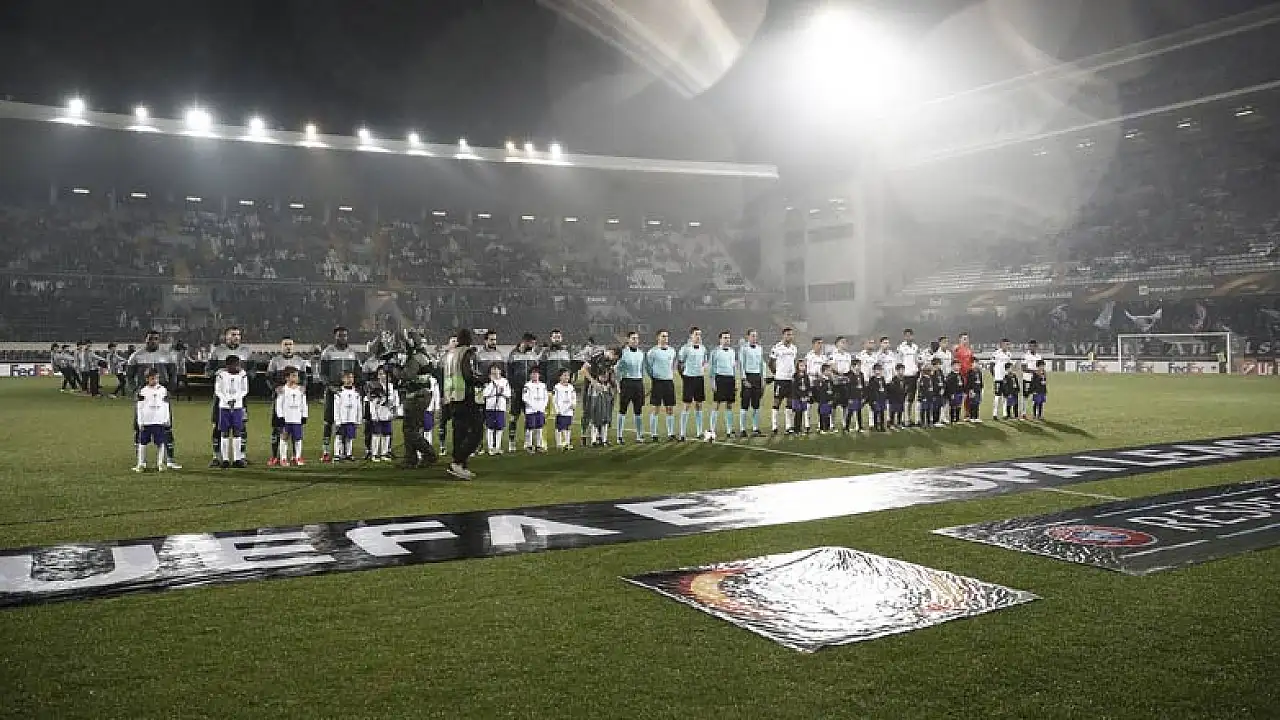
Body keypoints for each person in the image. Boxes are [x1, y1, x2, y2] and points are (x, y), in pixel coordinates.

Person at [127, 331, 180, 469]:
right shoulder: (136, 356)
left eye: (156, 339)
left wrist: (170, 390)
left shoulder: (167, 355)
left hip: (161, 397)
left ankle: (169, 460)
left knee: (166, 427)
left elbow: (173, 374)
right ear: (145, 340)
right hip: (144, 397)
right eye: (150, 339)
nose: (153, 341)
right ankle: (141, 461)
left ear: (159, 340)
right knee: (140, 427)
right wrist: (135, 391)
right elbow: (129, 377)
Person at [441, 328, 486, 480]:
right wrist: (481, 380)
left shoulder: (449, 355)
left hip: (452, 397)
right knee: (477, 431)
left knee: (458, 433)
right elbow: (468, 374)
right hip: (465, 397)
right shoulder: (466, 353)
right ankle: (458, 461)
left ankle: (459, 466)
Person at [206, 327, 248, 466]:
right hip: (221, 398)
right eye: (233, 334)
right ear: (226, 336)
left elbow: (252, 371)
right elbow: (208, 371)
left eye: (238, 334)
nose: (236, 337)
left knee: (241, 426)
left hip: (239, 397)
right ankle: (217, 457)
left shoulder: (246, 351)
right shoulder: (217, 351)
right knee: (218, 426)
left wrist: (244, 374)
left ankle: (241, 456)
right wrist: (218, 372)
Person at [399, 329, 440, 469]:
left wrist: (394, 370)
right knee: (411, 428)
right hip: (420, 395)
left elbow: (407, 376)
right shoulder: (423, 355)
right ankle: (410, 459)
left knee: (410, 430)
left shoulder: (416, 358)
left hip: (417, 396)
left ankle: (428, 453)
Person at [319, 326, 361, 463]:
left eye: (344, 335)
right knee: (328, 421)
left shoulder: (352, 353)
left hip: (347, 392)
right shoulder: (327, 352)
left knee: (347, 421)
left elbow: (358, 372)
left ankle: (344, 451)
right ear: (335, 337)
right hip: (332, 391)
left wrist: (357, 387)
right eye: (340, 335)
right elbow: (322, 374)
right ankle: (326, 451)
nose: (342, 338)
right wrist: (330, 387)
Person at [267, 337, 307, 467]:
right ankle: (275, 456)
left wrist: (303, 387)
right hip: (280, 398)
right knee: (277, 427)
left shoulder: (300, 361)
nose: (288, 347)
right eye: (285, 344)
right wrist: (275, 388)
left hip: (294, 398)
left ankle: (295, 456)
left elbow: (304, 378)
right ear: (281, 346)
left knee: (296, 429)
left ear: (293, 346)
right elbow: (268, 378)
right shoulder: (275, 361)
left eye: (290, 344)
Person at [507, 333, 542, 452]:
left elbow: (536, 371)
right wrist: (512, 388)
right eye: (531, 343)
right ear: (525, 342)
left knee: (529, 417)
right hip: (517, 391)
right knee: (514, 417)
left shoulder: (533, 354)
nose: (533, 346)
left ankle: (528, 444)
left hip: (530, 392)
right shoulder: (513, 354)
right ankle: (511, 442)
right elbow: (509, 373)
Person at [214, 355, 250, 469]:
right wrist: (227, 400)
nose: (238, 367)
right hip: (224, 407)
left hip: (238, 407)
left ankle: (237, 459)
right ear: (229, 365)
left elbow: (245, 390)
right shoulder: (221, 375)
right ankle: (225, 459)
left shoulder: (243, 374)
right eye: (236, 365)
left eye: (239, 364)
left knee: (237, 431)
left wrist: (235, 399)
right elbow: (218, 390)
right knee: (224, 432)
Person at [133, 369, 172, 473]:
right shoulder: (143, 391)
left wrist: (167, 418)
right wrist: (140, 422)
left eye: (157, 378)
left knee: (160, 443)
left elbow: (166, 405)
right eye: (153, 378)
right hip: (146, 421)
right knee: (142, 443)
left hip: (159, 421)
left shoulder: (163, 390)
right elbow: (139, 407)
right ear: (147, 379)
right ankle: (141, 464)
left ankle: (160, 463)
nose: (155, 380)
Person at [645, 329, 678, 442]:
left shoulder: (672, 351)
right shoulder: (652, 352)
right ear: (657, 338)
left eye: (667, 336)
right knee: (656, 408)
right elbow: (648, 367)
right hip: (657, 382)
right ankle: (654, 435)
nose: (665, 338)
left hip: (669, 382)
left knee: (670, 408)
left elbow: (672, 364)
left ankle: (671, 434)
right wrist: (654, 378)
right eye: (663, 336)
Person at [677, 327, 708, 442]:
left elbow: (704, 361)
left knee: (699, 405)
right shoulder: (685, 348)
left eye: (699, 334)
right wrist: (684, 377)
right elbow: (679, 364)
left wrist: (703, 368)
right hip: (689, 378)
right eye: (696, 334)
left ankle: (699, 432)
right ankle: (682, 433)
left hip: (699, 378)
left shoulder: (703, 348)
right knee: (687, 405)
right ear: (691, 335)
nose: (698, 336)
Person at [615, 331, 646, 444]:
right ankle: (619, 436)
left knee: (638, 410)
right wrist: (618, 384)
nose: (635, 340)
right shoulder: (623, 353)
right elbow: (617, 369)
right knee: (623, 410)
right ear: (628, 340)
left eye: (637, 338)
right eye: (633, 338)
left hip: (638, 383)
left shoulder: (641, 353)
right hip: (626, 382)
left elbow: (641, 370)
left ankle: (639, 435)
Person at [274, 368, 309, 466]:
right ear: (287, 378)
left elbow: (304, 403)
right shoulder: (282, 390)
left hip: (297, 418)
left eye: (297, 376)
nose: (296, 378)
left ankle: (298, 457)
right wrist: (280, 416)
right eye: (293, 376)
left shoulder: (301, 390)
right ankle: (283, 458)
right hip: (286, 418)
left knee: (298, 439)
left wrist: (304, 415)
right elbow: (279, 404)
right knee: (284, 438)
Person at [584, 347, 619, 446]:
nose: (614, 360)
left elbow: (611, 374)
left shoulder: (611, 362)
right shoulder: (597, 356)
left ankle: (602, 439)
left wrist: (614, 385)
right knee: (593, 413)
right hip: (594, 388)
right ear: (612, 352)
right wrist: (593, 382)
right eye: (614, 357)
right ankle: (589, 438)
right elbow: (584, 369)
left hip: (606, 389)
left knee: (606, 414)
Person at [768, 327, 799, 435]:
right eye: (788, 334)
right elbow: (771, 362)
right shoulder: (777, 347)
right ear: (783, 335)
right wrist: (776, 373)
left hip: (790, 379)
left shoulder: (794, 348)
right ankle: (774, 426)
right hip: (780, 379)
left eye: (791, 334)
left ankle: (788, 426)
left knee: (790, 403)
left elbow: (794, 362)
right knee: (777, 401)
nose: (790, 336)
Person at [367, 366, 400, 463]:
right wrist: (373, 414)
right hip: (378, 414)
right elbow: (372, 402)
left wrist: (395, 410)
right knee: (376, 434)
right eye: (380, 374)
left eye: (384, 374)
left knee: (387, 434)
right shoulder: (374, 386)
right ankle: (374, 454)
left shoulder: (391, 387)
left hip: (387, 414)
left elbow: (395, 399)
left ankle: (384, 453)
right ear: (377, 376)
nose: (383, 376)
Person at [709, 331, 738, 439]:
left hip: (730, 379)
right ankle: (712, 429)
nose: (727, 340)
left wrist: (735, 381)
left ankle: (729, 430)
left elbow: (733, 367)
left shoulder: (732, 351)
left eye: (728, 338)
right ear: (720, 339)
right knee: (716, 404)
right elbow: (712, 368)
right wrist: (713, 382)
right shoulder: (715, 352)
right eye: (725, 338)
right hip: (719, 378)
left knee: (729, 405)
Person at [737, 329, 765, 438]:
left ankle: (755, 429)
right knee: (744, 404)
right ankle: (742, 429)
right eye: (753, 336)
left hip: (757, 377)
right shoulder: (743, 349)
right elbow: (741, 364)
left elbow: (761, 364)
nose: (754, 338)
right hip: (748, 377)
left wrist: (762, 378)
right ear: (748, 337)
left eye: (756, 336)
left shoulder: (760, 348)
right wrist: (744, 379)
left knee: (756, 405)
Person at [482, 365, 511, 456]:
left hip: (500, 407)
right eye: (493, 370)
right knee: (490, 428)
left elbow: (508, 394)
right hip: (490, 407)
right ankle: (490, 447)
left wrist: (501, 392)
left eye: (496, 370)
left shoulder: (505, 381)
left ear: (500, 371)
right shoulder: (488, 382)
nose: (495, 372)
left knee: (499, 427)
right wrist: (492, 384)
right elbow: (485, 394)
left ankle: (498, 447)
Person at [522, 367, 549, 453]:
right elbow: (525, 398)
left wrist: (543, 406)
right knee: (530, 428)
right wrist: (533, 406)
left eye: (536, 373)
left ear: (539, 375)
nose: (535, 375)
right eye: (533, 374)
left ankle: (538, 445)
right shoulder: (527, 385)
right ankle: (529, 445)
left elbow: (546, 397)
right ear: (530, 375)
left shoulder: (543, 385)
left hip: (540, 410)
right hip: (531, 410)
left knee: (539, 427)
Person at [897, 329, 921, 425]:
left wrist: (918, 370)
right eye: (906, 335)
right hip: (905, 375)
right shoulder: (901, 347)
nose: (908, 337)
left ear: (912, 336)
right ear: (904, 337)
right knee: (905, 398)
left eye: (910, 335)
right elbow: (899, 362)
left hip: (914, 375)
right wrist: (900, 374)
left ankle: (909, 418)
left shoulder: (915, 347)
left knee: (911, 398)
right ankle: (904, 419)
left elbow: (917, 360)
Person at [552, 368, 577, 451]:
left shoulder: (571, 387)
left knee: (567, 427)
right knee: (559, 427)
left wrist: (574, 404)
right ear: (560, 377)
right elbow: (554, 400)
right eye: (564, 375)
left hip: (569, 411)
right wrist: (557, 410)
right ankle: (559, 443)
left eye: (568, 375)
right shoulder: (557, 387)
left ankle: (567, 442)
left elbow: (573, 397)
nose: (566, 377)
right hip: (561, 410)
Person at [1020, 340, 1044, 419]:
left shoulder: (1039, 356)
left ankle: (1036, 414)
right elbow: (1023, 368)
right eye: (1031, 346)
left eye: (1034, 346)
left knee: (1037, 396)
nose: (1032, 347)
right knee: (1025, 396)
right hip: (1027, 378)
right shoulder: (1025, 356)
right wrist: (1035, 372)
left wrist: (1041, 375)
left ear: (1036, 347)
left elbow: (1041, 367)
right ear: (1029, 346)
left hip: (1036, 380)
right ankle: (1023, 413)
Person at [991, 338, 1013, 420]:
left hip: (1006, 379)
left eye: (1008, 344)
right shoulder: (996, 353)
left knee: (1005, 396)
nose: (1007, 346)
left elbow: (1009, 366)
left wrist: (1009, 375)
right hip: (998, 378)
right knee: (997, 396)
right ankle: (995, 414)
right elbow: (991, 365)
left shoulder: (1009, 354)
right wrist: (994, 375)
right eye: (1006, 344)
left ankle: (1004, 414)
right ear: (1001, 344)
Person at [845, 356, 866, 433]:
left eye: (860, 365)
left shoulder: (861, 374)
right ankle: (847, 427)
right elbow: (848, 388)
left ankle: (860, 427)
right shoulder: (849, 375)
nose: (859, 367)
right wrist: (849, 398)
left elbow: (863, 386)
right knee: (850, 412)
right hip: (852, 397)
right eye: (858, 365)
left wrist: (863, 396)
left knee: (859, 412)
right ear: (853, 366)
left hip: (859, 396)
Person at [791, 358, 812, 435]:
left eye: (804, 366)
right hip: (797, 398)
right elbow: (794, 388)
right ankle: (796, 429)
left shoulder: (806, 376)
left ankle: (800, 429)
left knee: (803, 412)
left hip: (804, 397)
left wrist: (808, 394)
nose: (803, 367)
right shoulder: (795, 376)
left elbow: (808, 386)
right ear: (797, 367)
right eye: (801, 366)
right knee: (798, 412)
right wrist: (800, 397)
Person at [866, 363, 888, 432]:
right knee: (876, 412)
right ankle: (875, 426)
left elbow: (885, 388)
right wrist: (872, 400)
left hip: (882, 398)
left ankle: (882, 426)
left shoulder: (883, 378)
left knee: (882, 412)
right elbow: (870, 391)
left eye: (880, 370)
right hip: (876, 399)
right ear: (874, 371)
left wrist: (885, 397)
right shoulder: (872, 379)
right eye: (877, 370)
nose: (878, 371)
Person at [815, 363, 836, 434]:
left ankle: (827, 428)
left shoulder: (830, 380)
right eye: (829, 371)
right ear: (824, 371)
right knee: (823, 414)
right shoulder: (821, 380)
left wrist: (831, 399)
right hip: (823, 401)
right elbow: (821, 392)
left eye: (830, 371)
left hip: (829, 400)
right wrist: (826, 400)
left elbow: (832, 390)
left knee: (827, 414)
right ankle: (822, 429)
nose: (830, 372)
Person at [887, 364, 907, 430]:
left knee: (900, 411)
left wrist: (904, 395)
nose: (902, 371)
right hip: (894, 399)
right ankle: (891, 423)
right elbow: (890, 389)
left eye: (903, 370)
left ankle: (899, 423)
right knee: (893, 411)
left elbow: (905, 388)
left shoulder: (904, 379)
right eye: (900, 370)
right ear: (897, 371)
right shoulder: (893, 379)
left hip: (901, 398)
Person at [917, 363, 936, 428]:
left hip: (930, 396)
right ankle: (922, 422)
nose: (932, 372)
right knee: (923, 409)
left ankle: (928, 422)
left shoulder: (931, 378)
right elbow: (921, 389)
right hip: (925, 397)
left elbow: (932, 388)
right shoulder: (922, 379)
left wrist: (933, 395)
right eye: (931, 370)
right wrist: (922, 397)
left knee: (929, 410)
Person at [929, 356, 947, 426]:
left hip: (940, 392)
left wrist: (943, 388)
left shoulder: (940, 372)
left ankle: (938, 420)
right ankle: (934, 420)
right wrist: (935, 391)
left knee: (939, 406)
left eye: (940, 364)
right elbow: (931, 383)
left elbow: (943, 381)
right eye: (938, 364)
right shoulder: (932, 373)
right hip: (935, 393)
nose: (939, 365)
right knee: (935, 407)